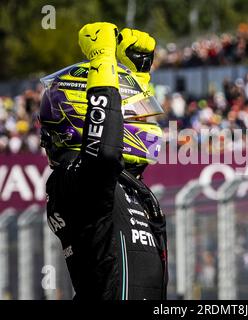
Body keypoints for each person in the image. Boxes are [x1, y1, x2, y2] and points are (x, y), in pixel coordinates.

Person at [39, 22, 168, 300]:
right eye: (132, 114)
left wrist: (138, 77)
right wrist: (102, 63)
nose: (144, 121)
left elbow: (117, 165)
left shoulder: (119, 184)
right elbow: (105, 156)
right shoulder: (69, 179)